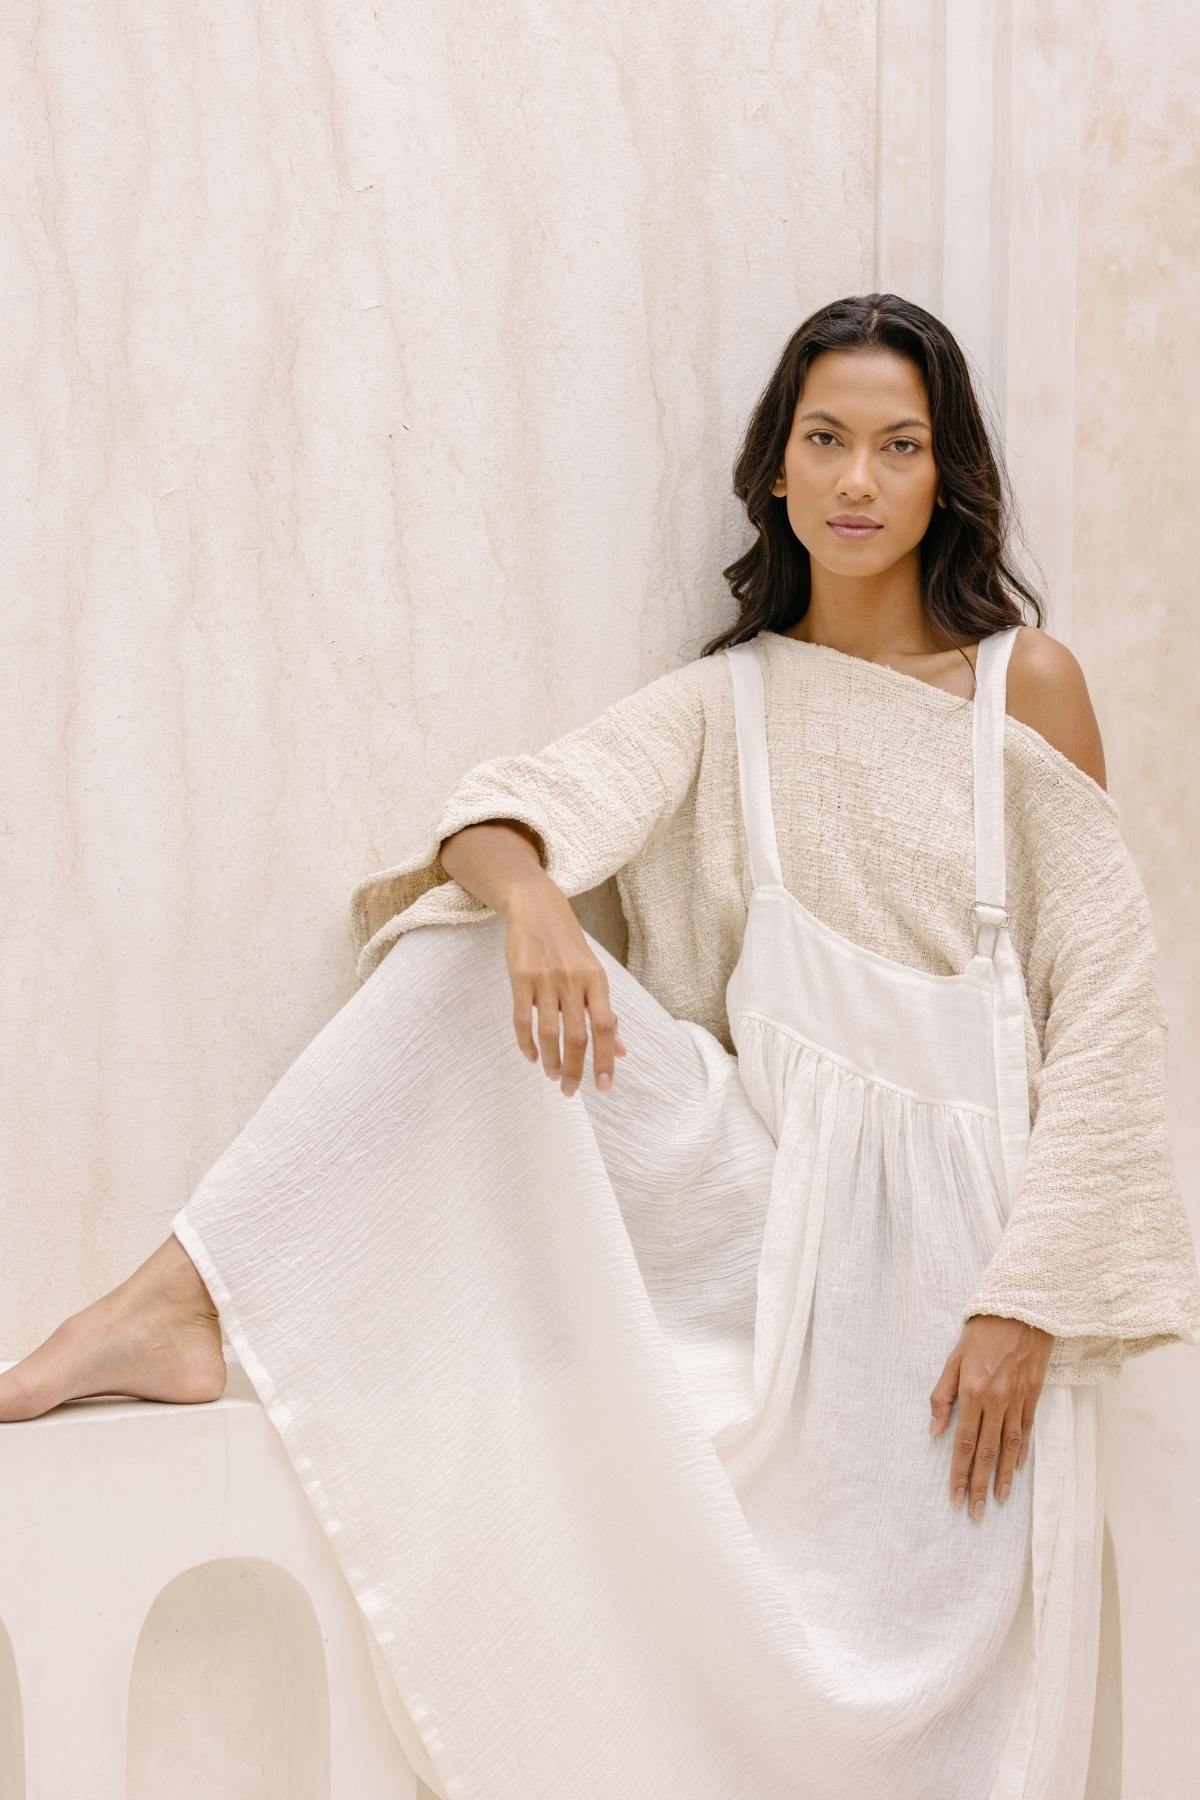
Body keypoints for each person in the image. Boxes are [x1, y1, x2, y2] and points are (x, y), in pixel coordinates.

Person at [4, 292, 1199, 1799]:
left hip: (958, 1260)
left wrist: (1031, 1295)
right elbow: (502, 811)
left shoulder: (1024, 686)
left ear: (945, 476)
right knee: (456, 962)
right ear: (775, 467)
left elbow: (1106, 1004)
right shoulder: (730, 703)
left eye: (898, 448)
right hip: (761, 1208)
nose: (854, 482)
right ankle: (175, 1304)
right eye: (823, 441)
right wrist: (534, 904)